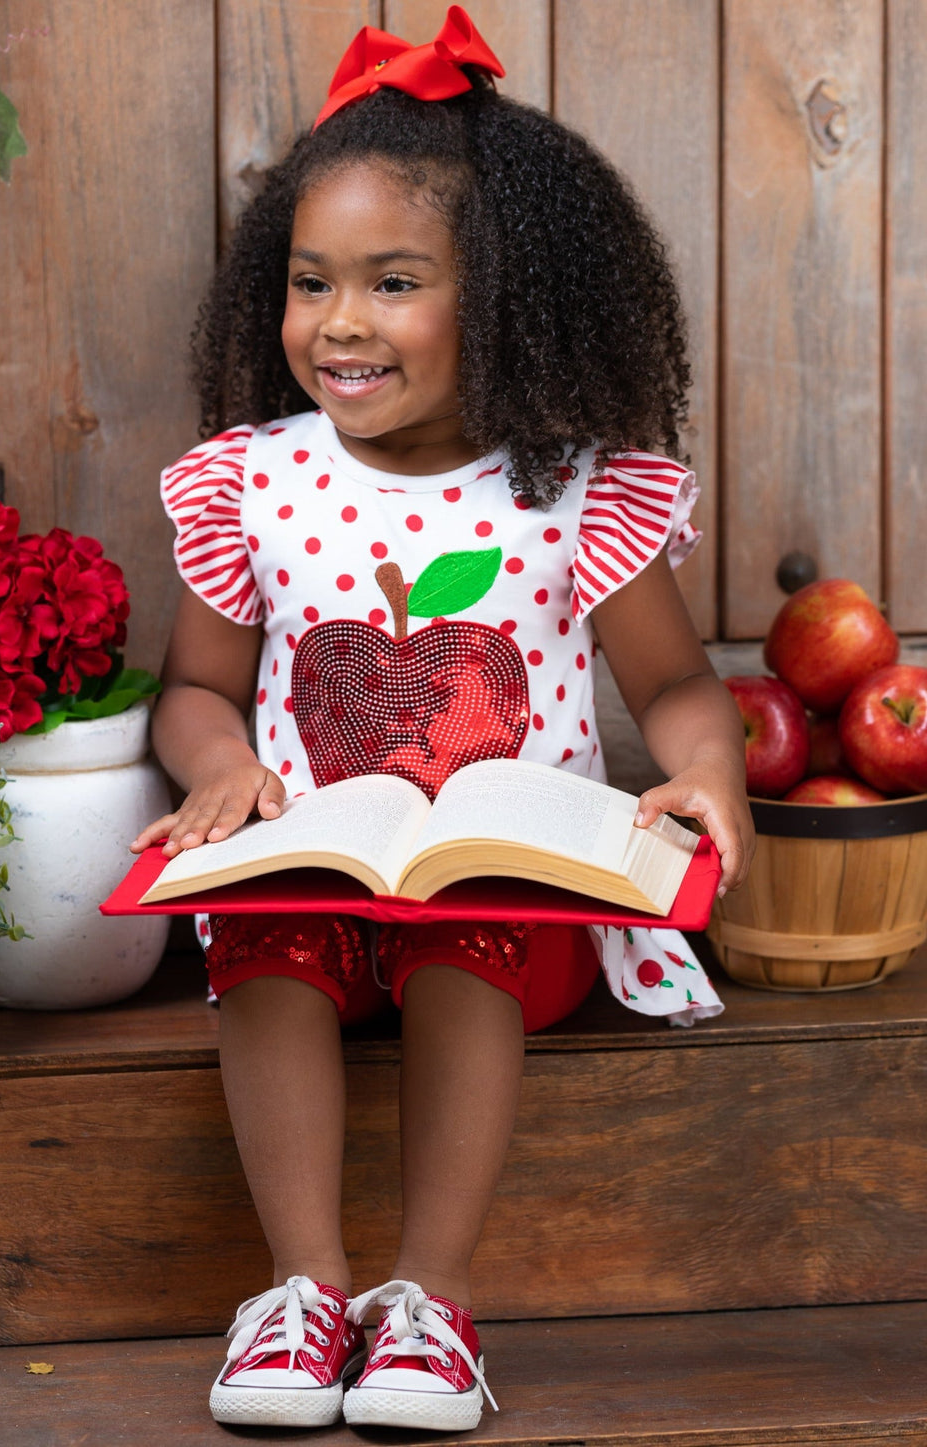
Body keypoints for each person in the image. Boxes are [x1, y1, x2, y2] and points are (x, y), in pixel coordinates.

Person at [131, 6, 754, 1433]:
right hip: (321, 875)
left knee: (471, 931)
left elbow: (673, 688)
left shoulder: (574, 491)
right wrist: (221, 768)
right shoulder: (257, 483)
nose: (339, 323)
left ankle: (428, 1303)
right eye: (311, 283)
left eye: (394, 282)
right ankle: (301, 1292)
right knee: (262, 933)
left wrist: (707, 773)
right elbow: (198, 691)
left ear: (510, 304)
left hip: (511, 916)